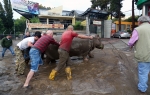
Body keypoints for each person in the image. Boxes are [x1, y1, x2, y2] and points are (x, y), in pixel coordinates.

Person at [128, 16, 150, 93]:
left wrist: (131, 45)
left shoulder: (138, 29)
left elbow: (131, 42)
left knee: (143, 72)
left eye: (138, 22)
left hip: (144, 55)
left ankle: (142, 88)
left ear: (140, 21)